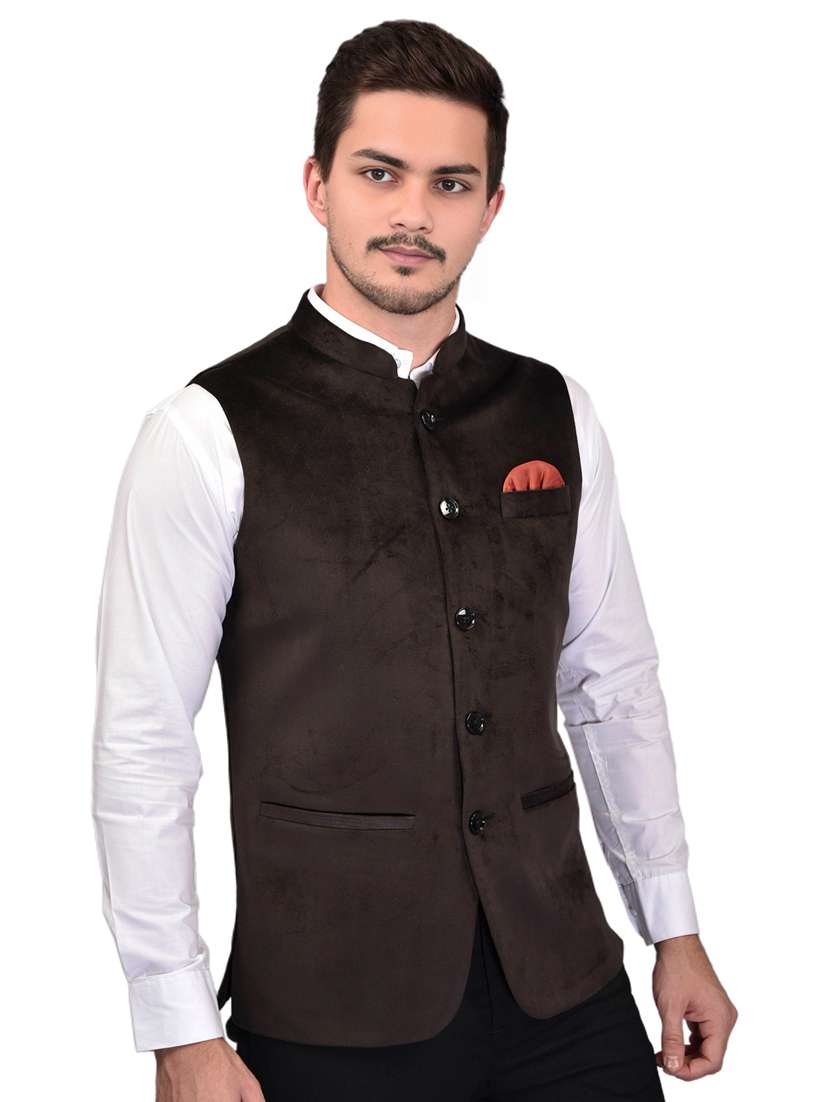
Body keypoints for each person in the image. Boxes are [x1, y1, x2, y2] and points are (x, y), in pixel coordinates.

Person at [91, 18, 737, 1102]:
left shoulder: (555, 409)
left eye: (450, 183)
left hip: (566, 991)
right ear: (318, 185)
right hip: (329, 1007)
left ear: (491, 206)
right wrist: (179, 1028)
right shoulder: (205, 431)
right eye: (379, 173)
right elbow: (143, 741)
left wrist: (673, 929)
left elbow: (612, 685)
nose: (412, 214)